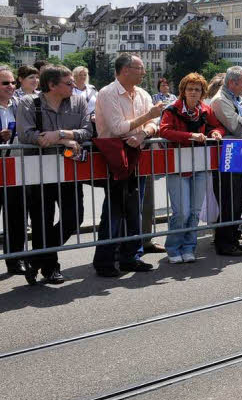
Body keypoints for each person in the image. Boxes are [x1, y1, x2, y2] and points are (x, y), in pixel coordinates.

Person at [15, 65, 91, 285]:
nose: (74, 86)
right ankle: (50, 268)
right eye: (68, 83)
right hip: (38, 170)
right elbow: (27, 135)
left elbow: (87, 131)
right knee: (41, 220)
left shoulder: (78, 101)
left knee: (74, 217)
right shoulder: (29, 103)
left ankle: (35, 258)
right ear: (51, 85)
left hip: (69, 170)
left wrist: (60, 134)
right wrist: (65, 140)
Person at [92, 54, 165, 277]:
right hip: (114, 156)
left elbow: (155, 123)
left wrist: (143, 133)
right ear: (125, 70)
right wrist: (148, 117)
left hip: (137, 154)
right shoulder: (107, 93)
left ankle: (130, 256)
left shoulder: (142, 93)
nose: (144, 72)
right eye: (139, 68)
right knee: (114, 211)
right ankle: (105, 260)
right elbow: (117, 128)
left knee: (135, 209)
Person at [159, 72, 224, 264]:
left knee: (195, 212)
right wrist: (190, 136)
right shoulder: (172, 109)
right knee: (182, 212)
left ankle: (189, 247)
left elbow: (219, 127)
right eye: (190, 89)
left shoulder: (205, 110)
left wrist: (215, 133)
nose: (193, 92)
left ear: (203, 92)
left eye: (197, 89)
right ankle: (173, 247)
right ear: (183, 91)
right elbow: (164, 130)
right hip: (178, 166)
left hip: (200, 165)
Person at [208, 66, 242, 255]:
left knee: (238, 199)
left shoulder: (238, 98)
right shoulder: (220, 101)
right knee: (229, 198)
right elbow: (236, 127)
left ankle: (234, 237)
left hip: (241, 152)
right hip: (229, 153)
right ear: (232, 83)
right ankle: (224, 242)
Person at [0, 65, 27, 276]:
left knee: (16, 216)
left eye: (12, 82)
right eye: (5, 83)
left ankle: (14, 259)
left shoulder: (18, 104)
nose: (11, 86)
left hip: (13, 168)